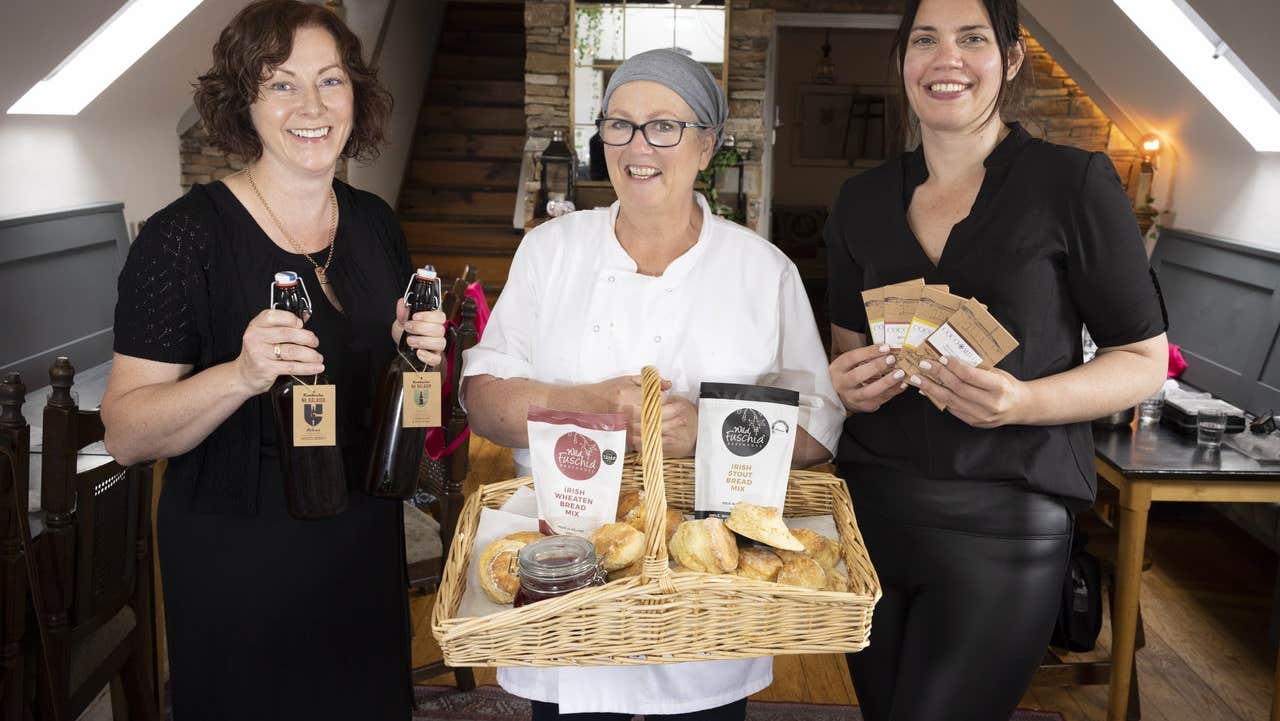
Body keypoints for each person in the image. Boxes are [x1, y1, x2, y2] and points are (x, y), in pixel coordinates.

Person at [462, 49, 844, 721]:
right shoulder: (550, 251)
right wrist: (592, 405)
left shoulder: (763, 271)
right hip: (565, 583)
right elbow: (484, 403)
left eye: (664, 126)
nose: (638, 147)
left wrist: (707, 433)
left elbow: (818, 432)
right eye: (620, 124)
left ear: (707, 145)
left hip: (709, 588)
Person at [823, 0, 1168, 718]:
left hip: (1007, 519)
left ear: (1010, 60)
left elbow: (1142, 359)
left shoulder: (1074, 184)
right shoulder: (860, 200)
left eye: (972, 38)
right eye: (925, 39)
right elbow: (847, 351)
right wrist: (849, 385)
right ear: (902, 59)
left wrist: (1025, 401)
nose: (946, 59)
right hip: (869, 517)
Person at [100, 2, 443, 718]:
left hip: (361, 537)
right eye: (281, 84)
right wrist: (241, 375)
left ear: (356, 94)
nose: (311, 106)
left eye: (330, 80)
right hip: (240, 556)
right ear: (242, 102)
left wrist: (416, 358)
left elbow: (401, 402)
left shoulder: (375, 223)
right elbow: (126, 433)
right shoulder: (181, 239)